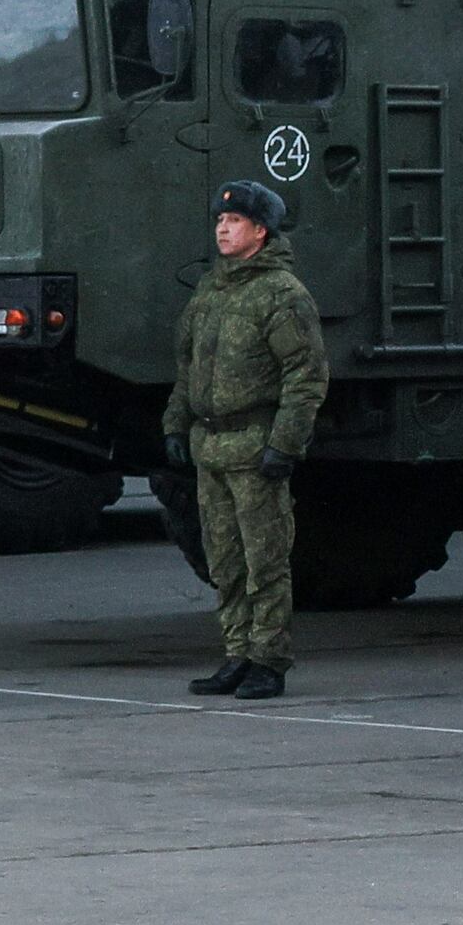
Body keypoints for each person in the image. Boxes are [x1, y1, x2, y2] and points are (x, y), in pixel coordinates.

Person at [164, 179, 326, 700]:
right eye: (219, 221)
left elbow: (305, 375)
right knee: (225, 562)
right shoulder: (212, 290)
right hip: (211, 448)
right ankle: (237, 653)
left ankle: (268, 660)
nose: (223, 229)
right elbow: (188, 367)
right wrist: (175, 424)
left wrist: (286, 443)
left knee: (265, 561)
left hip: (255, 446)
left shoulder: (281, 294)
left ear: (260, 231)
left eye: (233, 222)